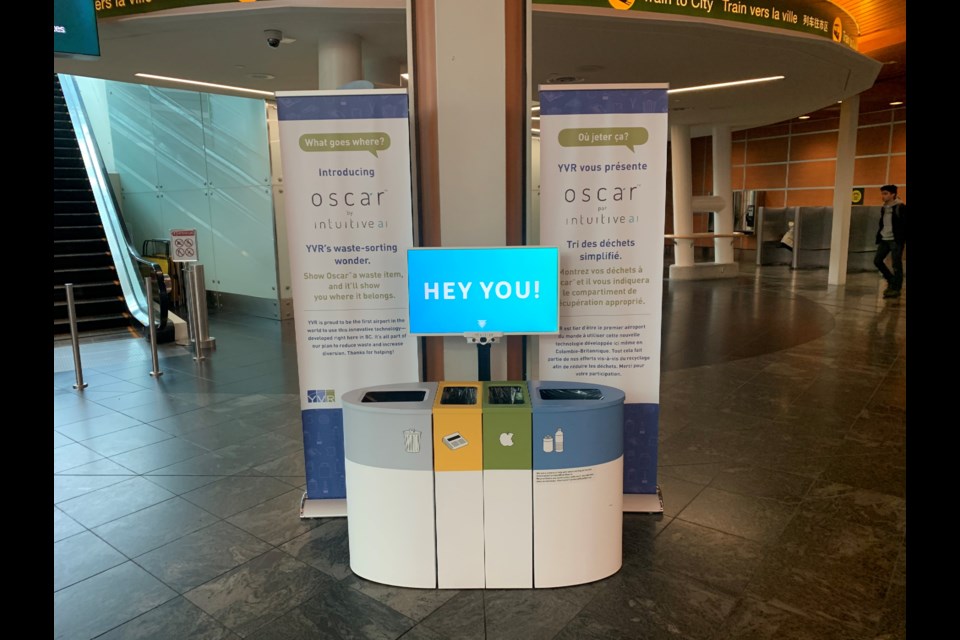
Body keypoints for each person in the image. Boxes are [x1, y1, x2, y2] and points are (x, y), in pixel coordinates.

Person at [873, 184, 906, 298]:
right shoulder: (884, 207)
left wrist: (901, 239)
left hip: (895, 240)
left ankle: (896, 288)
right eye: (882, 193)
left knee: (896, 265)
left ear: (893, 194)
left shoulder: (900, 207)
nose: (883, 196)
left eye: (886, 193)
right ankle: (891, 280)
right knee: (877, 261)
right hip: (884, 239)